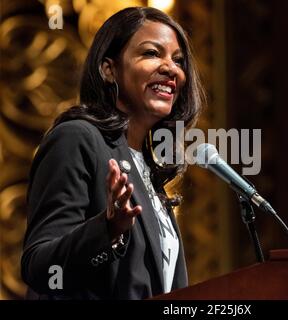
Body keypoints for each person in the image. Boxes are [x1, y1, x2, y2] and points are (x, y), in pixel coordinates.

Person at [21, 6, 205, 299]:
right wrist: (107, 229)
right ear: (109, 69)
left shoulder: (149, 169)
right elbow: (41, 268)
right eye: (152, 53)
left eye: (178, 60)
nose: (172, 69)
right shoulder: (76, 138)